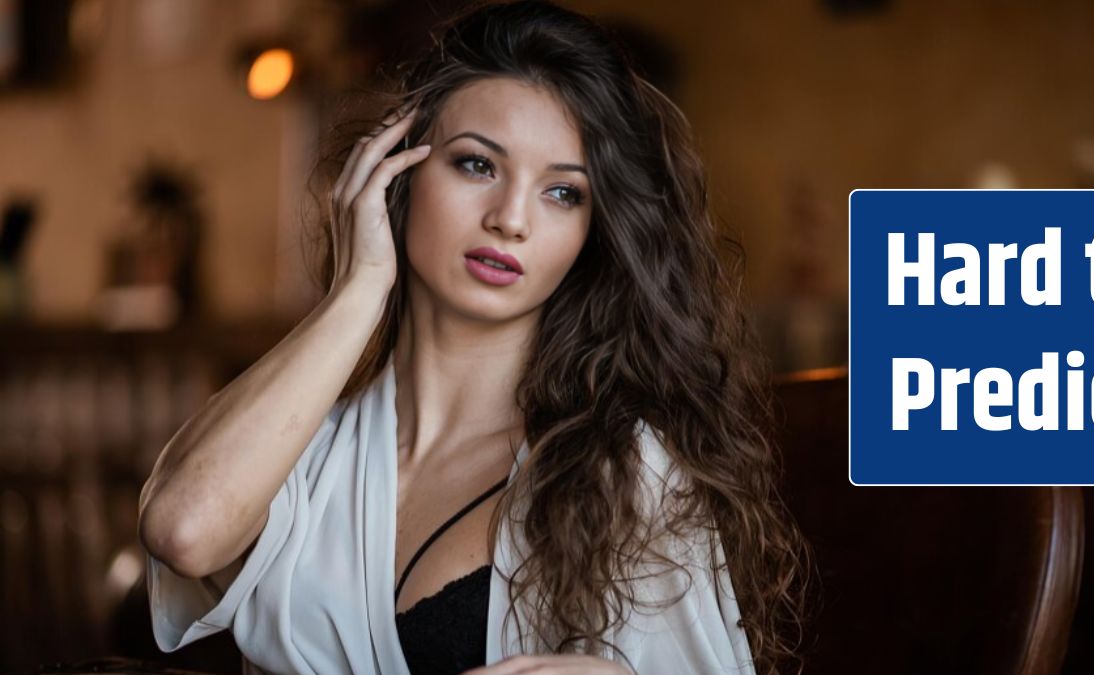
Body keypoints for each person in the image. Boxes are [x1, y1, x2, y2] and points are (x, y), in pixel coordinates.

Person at [137, 1, 814, 673]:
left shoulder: (623, 469)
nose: (512, 218)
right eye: (477, 165)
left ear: (592, 232)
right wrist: (355, 292)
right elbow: (181, 529)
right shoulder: (305, 456)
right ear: (395, 173)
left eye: (563, 193)